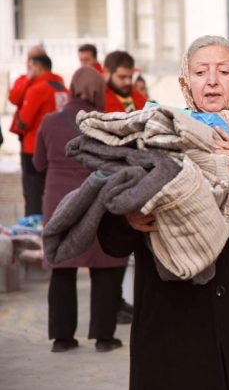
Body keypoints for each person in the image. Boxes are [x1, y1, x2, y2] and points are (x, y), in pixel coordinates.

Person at [97, 35, 229, 389]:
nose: (212, 80)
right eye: (201, 71)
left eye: (223, 71)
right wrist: (129, 219)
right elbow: (111, 240)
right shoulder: (153, 132)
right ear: (186, 81)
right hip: (177, 322)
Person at [34, 67, 128, 353]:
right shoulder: (105, 124)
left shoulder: (49, 122)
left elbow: (38, 164)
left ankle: (62, 339)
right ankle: (103, 338)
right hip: (97, 201)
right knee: (107, 267)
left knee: (62, 268)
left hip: (59, 203)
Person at [15, 54, 69, 216]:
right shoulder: (63, 89)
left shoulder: (37, 89)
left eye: (30, 67)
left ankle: (32, 236)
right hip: (59, 150)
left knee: (33, 196)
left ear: (38, 67)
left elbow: (23, 122)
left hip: (33, 149)